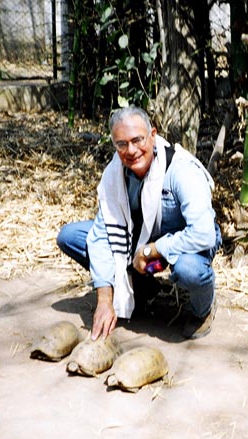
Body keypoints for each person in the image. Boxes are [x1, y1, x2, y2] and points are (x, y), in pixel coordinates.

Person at [57, 106, 221, 340]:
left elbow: (203, 234)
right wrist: (104, 298)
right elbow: (103, 235)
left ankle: (202, 309)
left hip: (182, 244)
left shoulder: (182, 170)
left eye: (137, 140)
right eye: (121, 144)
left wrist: (152, 250)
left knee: (189, 270)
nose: (131, 150)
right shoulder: (114, 173)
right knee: (71, 236)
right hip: (141, 243)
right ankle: (143, 289)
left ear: (153, 135)